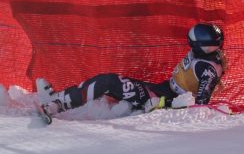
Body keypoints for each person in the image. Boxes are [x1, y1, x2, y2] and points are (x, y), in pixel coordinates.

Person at [37, 23, 226, 117]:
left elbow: (200, 107)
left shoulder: (207, 69)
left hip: (156, 98)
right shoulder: (203, 57)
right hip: (160, 89)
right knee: (109, 83)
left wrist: (162, 104)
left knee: (108, 82)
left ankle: (57, 105)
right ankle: (61, 98)